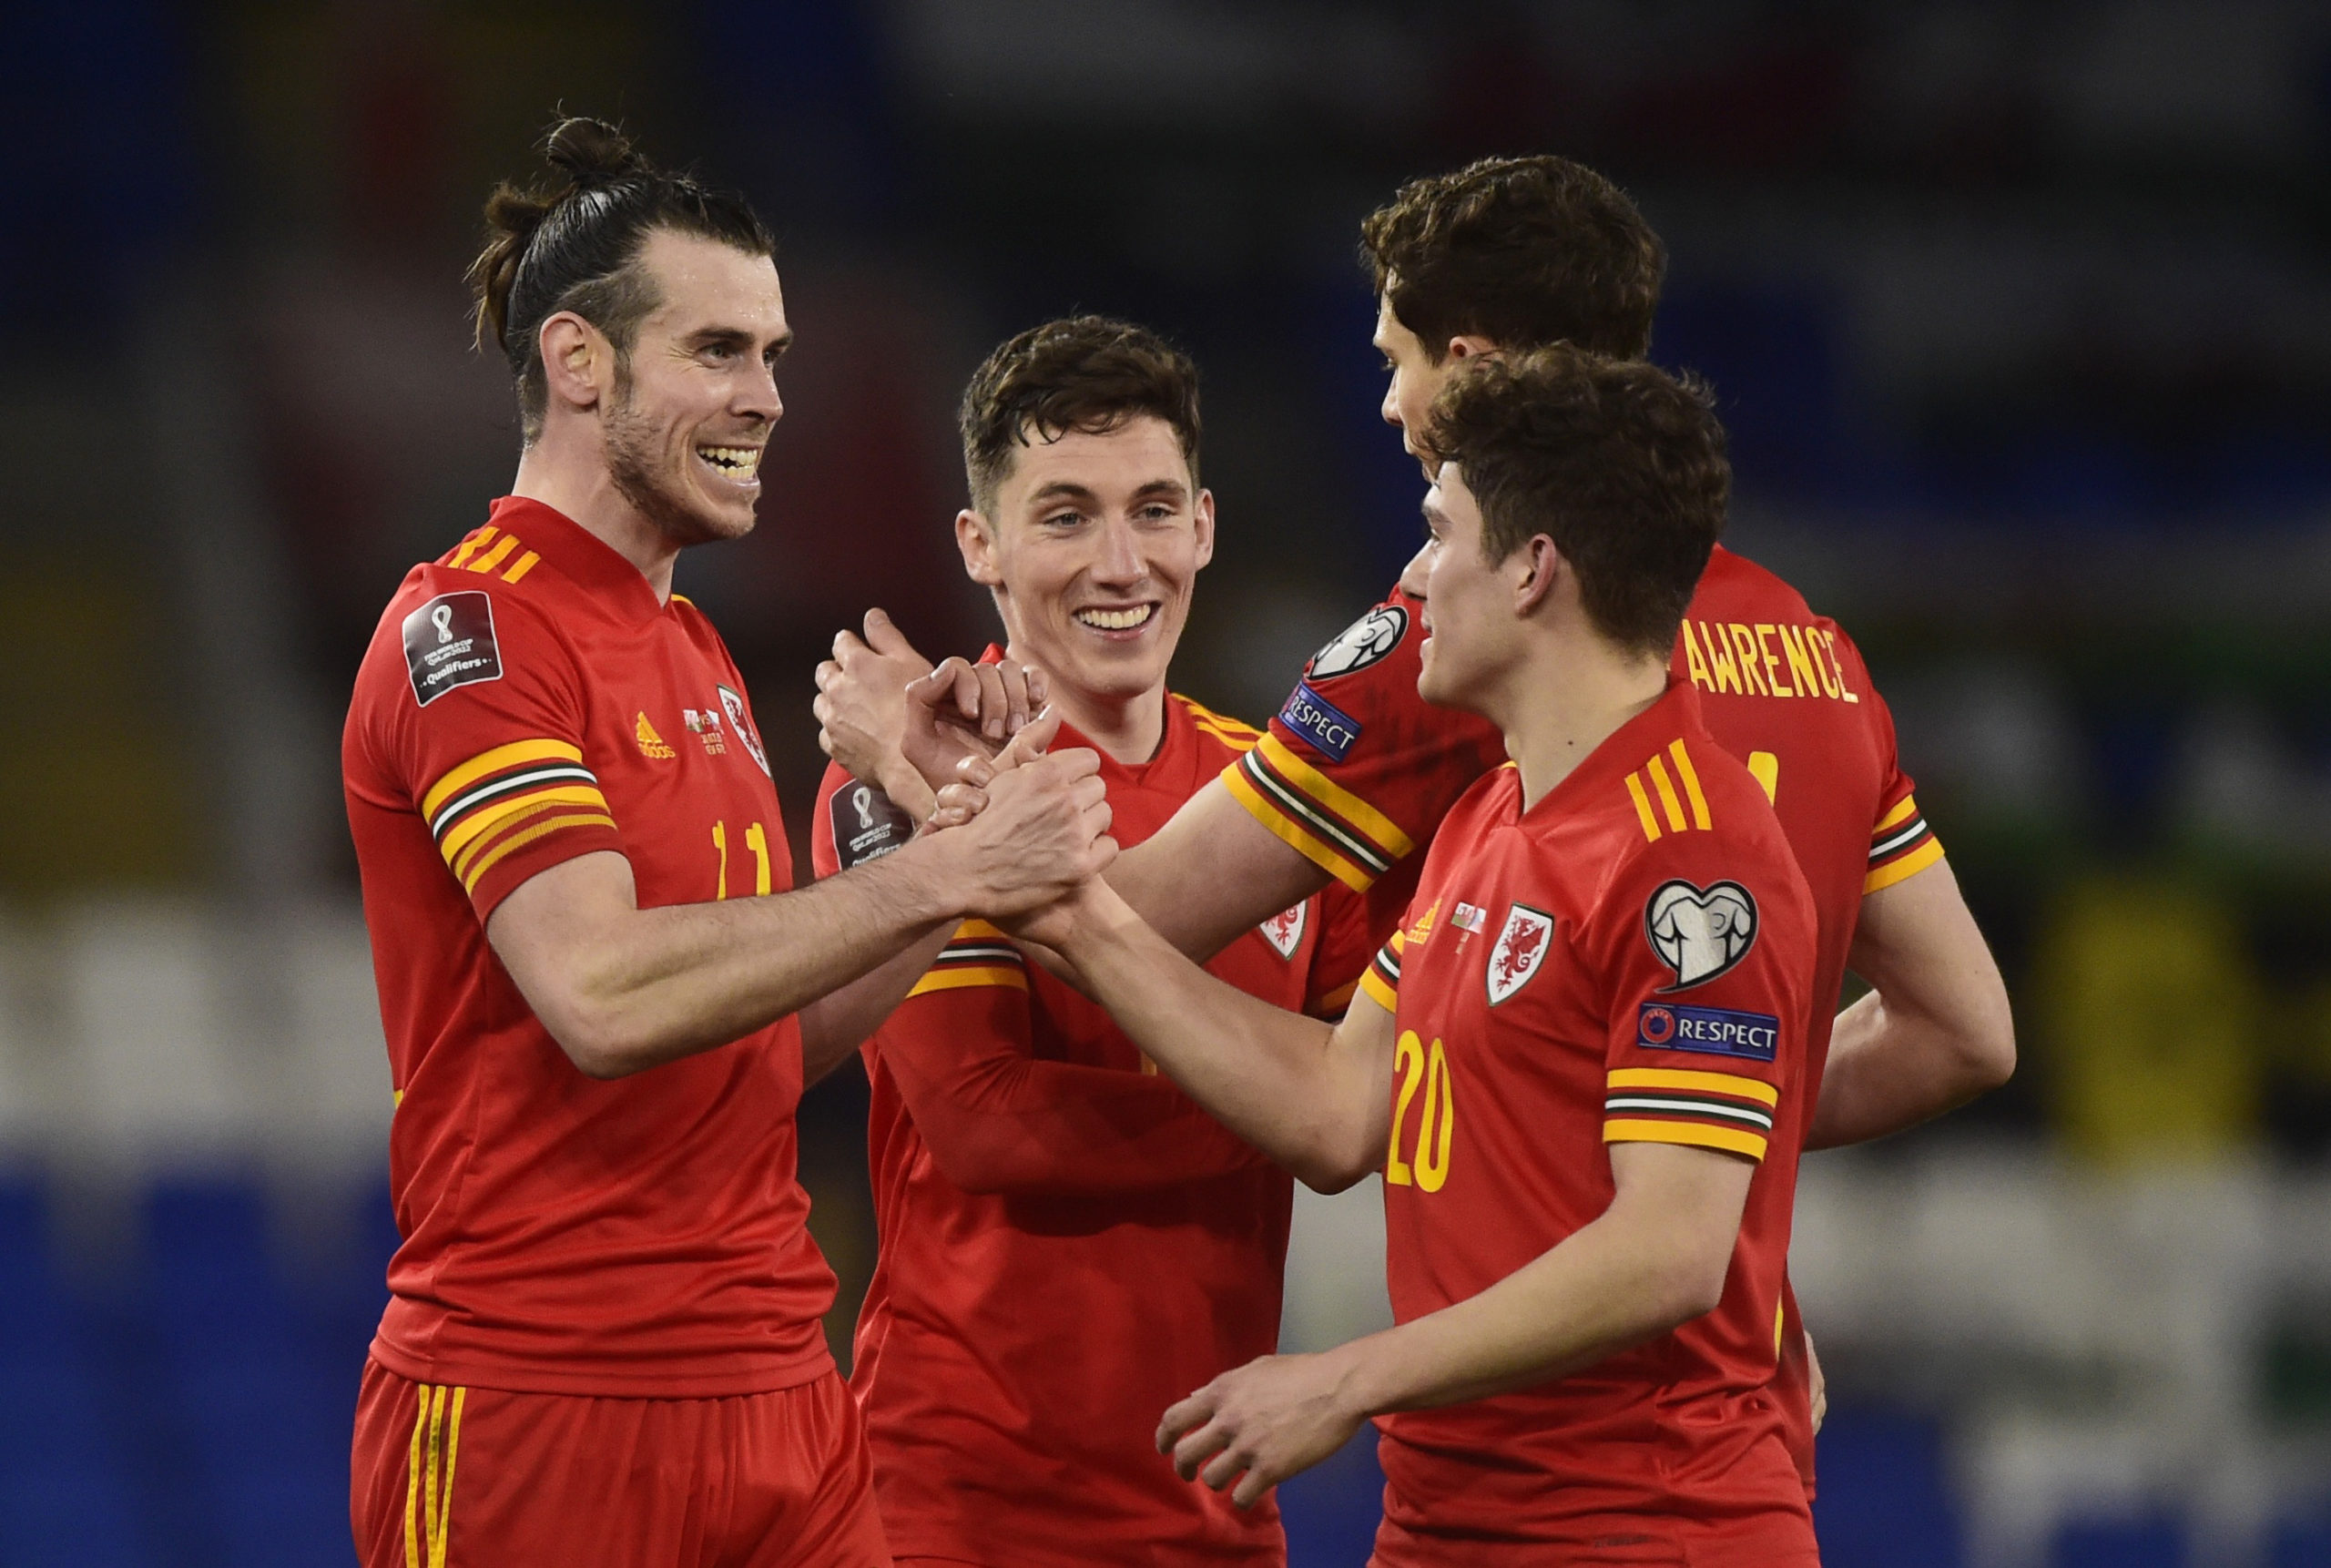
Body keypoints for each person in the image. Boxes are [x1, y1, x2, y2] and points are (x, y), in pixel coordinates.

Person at [819, 153, 2015, 1483]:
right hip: (1688, 1411)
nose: (1387, 402)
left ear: (1479, 365)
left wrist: (916, 779)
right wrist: (1689, 1146)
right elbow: (1963, 1030)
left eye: (1399, 359)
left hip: (1564, 1436)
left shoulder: (1443, 648)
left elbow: (1133, 920)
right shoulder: (1813, 655)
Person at [339, 118, 1110, 1568]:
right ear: (580, 361)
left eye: (773, 355)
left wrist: (946, 821)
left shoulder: (692, 646)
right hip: (540, 1400)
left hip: (778, 1390)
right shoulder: (473, 629)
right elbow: (603, 994)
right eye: (719, 351)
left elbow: (767, 1037)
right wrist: (940, 873)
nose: (767, 397)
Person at [989, 347, 1823, 1563]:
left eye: (1439, 535)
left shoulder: (1695, 856)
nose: (1417, 578)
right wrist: (1066, 909)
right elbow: (1341, 1104)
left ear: (1532, 569)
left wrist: (1347, 1377)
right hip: (1446, 1519)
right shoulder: (1487, 817)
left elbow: (1671, 1252)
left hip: (1641, 1526)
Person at [807, 316, 1374, 1568]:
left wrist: (1338, 1106)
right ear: (981, 545)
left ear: (1205, 526)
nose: (1123, 564)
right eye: (1065, 516)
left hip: (1221, 1514)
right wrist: (1300, 1105)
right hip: (956, 1515)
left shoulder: (1282, 803)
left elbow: (1410, 1083)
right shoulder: (903, 778)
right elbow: (984, 1122)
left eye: (1153, 510)